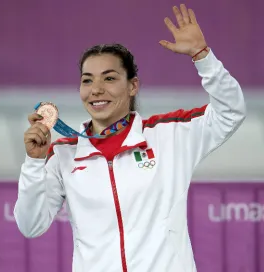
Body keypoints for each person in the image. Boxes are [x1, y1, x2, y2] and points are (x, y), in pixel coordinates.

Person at [14, 4, 246, 272]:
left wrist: (202, 57)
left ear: (132, 85)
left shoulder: (170, 133)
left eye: (109, 78)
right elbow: (31, 225)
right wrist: (33, 163)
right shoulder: (64, 152)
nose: (97, 90)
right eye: (87, 81)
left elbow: (231, 112)